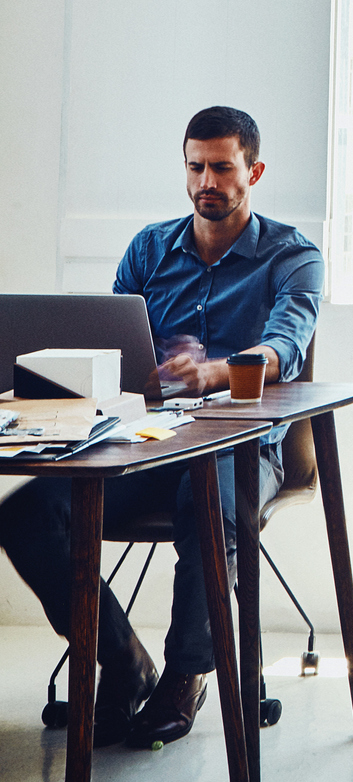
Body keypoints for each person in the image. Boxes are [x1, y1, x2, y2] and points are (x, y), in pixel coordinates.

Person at [0, 105, 319, 750]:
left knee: (207, 509)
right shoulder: (149, 248)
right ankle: (121, 661)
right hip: (147, 443)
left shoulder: (292, 255)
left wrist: (219, 371)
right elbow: (111, 347)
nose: (208, 180)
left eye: (223, 167)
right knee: (24, 515)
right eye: (196, 167)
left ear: (253, 171)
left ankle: (186, 674)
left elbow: (285, 343)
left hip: (242, 446)